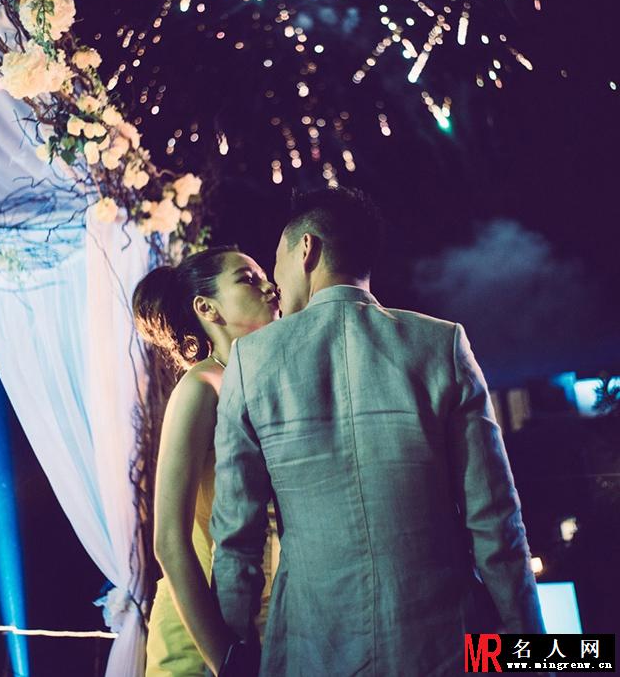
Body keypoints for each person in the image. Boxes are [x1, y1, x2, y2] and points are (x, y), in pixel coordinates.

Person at [210, 188, 545, 677]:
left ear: (307, 251)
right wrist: (532, 654)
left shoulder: (250, 361)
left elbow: (236, 540)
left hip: (312, 647)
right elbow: (496, 521)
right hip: (444, 647)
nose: (276, 282)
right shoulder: (442, 344)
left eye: (277, 261)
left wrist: (232, 654)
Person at [132, 246, 279, 677]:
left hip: (264, 620)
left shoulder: (259, 382)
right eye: (248, 279)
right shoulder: (200, 388)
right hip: (201, 630)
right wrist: (224, 657)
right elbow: (168, 540)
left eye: (264, 276)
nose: (270, 286)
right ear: (207, 308)